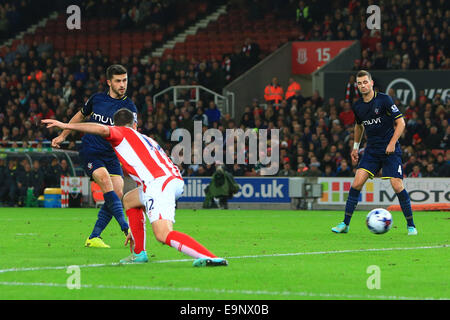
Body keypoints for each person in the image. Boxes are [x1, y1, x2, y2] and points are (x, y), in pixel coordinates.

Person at [43, 109, 228, 267]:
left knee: (163, 234)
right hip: (172, 180)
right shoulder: (146, 139)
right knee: (130, 200)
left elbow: (100, 129)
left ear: (118, 126)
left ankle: (209, 257)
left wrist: (66, 125)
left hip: (159, 184)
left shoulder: (122, 133)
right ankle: (139, 253)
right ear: (135, 124)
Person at [51, 65, 136, 248]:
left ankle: (94, 237)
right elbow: (80, 117)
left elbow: (132, 134)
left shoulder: (129, 107)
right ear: (109, 82)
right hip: (91, 151)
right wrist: (63, 135)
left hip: (111, 156)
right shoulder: (97, 99)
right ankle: (126, 228)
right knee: (105, 181)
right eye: (118, 81)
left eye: (125, 80)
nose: (122, 85)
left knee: (118, 191)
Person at [332, 70, 418, 235]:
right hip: (371, 150)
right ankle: (345, 224)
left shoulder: (384, 99)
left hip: (390, 150)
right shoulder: (357, 106)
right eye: (359, 83)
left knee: (397, 185)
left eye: (365, 82)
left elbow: (401, 123)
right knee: (357, 183)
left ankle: (411, 225)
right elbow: (359, 126)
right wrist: (355, 147)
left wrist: (392, 143)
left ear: (371, 83)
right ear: (357, 86)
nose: (363, 85)